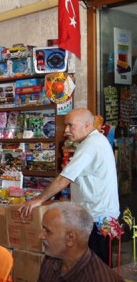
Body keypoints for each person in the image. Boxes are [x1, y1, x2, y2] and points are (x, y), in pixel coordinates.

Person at [20, 108, 119, 264]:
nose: (66, 130)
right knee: (94, 266)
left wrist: (39, 200)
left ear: (87, 125)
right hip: (97, 214)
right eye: (66, 126)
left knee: (97, 268)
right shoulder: (91, 141)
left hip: (97, 217)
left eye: (70, 125)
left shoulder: (91, 145)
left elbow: (64, 179)